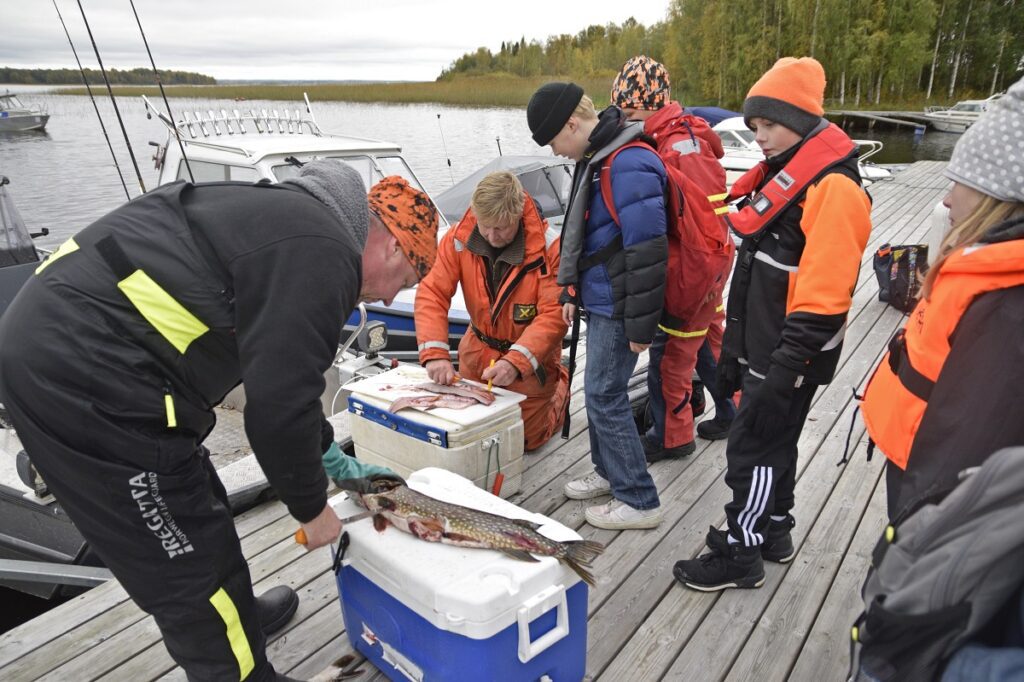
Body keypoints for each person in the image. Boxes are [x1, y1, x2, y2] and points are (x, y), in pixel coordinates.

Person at [0, 160, 438, 682]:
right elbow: (275, 415)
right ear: (391, 245)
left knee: (198, 500)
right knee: (188, 567)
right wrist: (312, 508)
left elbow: (285, 384)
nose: (390, 299)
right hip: (83, 381)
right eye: (406, 279)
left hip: (90, 355)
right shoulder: (325, 256)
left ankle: (237, 618)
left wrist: (337, 466)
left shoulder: (295, 224)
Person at [673, 57, 872, 590]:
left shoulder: (833, 190)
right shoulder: (790, 179)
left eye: (769, 125)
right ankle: (775, 529)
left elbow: (824, 300)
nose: (758, 137)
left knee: (753, 450)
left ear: (802, 121)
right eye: (754, 126)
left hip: (787, 355)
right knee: (775, 444)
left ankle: (742, 551)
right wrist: (737, 355)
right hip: (762, 345)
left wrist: (781, 373)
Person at [860, 75, 1024, 521]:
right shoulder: (990, 270)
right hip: (913, 456)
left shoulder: (1006, 307)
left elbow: (967, 463)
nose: (947, 200)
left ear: (1001, 198)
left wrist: (905, 558)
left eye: (960, 183)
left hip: (929, 500)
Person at [527, 82, 668, 529]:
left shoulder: (628, 163)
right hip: (603, 296)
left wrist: (641, 328)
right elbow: (589, 235)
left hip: (622, 305)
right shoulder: (600, 156)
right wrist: (570, 290)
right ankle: (610, 473)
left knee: (605, 395)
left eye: (554, 141)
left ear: (572, 124)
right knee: (598, 391)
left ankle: (639, 499)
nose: (557, 151)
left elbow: (648, 253)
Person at [609, 54, 735, 460]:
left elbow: (692, 228)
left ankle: (672, 437)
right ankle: (733, 410)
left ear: (644, 104)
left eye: (626, 110)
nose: (624, 118)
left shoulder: (676, 148)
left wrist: (681, 292)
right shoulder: (687, 135)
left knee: (670, 360)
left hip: (694, 271)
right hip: (711, 267)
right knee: (708, 343)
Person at [415, 170, 569, 450]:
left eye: (500, 228)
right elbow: (432, 293)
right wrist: (434, 355)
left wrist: (515, 363)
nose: (490, 234)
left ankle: (562, 389)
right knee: (470, 431)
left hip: (531, 363)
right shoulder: (457, 239)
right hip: (477, 353)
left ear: (517, 215)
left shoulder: (551, 249)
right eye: (484, 225)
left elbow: (552, 315)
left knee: (525, 441)